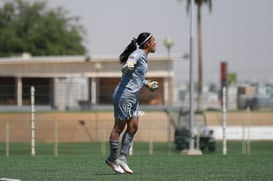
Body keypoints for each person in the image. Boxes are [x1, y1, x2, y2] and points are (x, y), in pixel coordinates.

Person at [105, 32, 159, 174]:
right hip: (124, 95)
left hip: (132, 97)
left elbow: (136, 78)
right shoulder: (138, 54)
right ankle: (112, 159)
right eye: (154, 40)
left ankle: (122, 158)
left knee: (134, 126)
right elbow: (128, 65)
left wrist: (148, 84)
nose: (156, 43)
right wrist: (127, 67)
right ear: (147, 43)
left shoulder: (144, 57)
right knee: (118, 128)